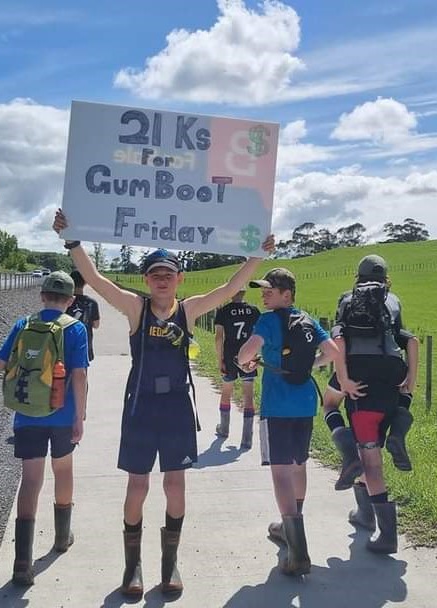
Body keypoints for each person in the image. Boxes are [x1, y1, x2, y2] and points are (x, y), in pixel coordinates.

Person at [53, 208, 273, 598]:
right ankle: (132, 565)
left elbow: (229, 286)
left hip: (176, 409)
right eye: (155, 273)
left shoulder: (189, 309)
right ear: (146, 279)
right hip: (140, 408)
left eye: (168, 273)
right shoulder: (135, 307)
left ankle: (170, 563)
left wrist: (257, 256)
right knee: (137, 486)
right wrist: (73, 242)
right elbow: (96, 280)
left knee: (175, 485)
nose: (161, 279)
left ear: (178, 278)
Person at [236, 268, 353, 576]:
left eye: (269, 291)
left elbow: (247, 352)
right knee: (299, 465)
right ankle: (292, 524)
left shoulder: (268, 320)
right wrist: (312, 363)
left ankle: (297, 548)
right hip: (305, 405)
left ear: (286, 294)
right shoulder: (309, 321)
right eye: (263, 290)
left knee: (280, 473)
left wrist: (243, 361)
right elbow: (333, 352)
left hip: (277, 408)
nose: (264, 295)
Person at [0, 271, 89, 586]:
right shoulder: (75, 328)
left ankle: (22, 561)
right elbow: (79, 375)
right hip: (63, 415)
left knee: (31, 479)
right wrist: (80, 416)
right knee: (63, 471)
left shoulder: (23, 324)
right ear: (71, 300)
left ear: (42, 295)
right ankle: (62, 538)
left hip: (27, 415)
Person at [327, 254, 419, 553]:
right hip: (391, 375)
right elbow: (411, 341)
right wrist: (410, 381)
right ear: (385, 277)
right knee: (382, 431)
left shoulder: (347, 299)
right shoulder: (393, 300)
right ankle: (396, 434)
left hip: (359, 376)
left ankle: (388, 536)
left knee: (368, 459)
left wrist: (343, 379)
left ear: (358, 276)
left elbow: (338, 341)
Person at [213, 289, 260, 448]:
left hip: (229, 356)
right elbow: (259, 335)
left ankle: (224, 429)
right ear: (244, 293)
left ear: (230, 293)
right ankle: (247, 437)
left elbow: (219, 337)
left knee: (226, 392)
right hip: (248, 356)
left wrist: (220, 360)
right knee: (248, 395)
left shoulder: (223, 311)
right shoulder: (253, 310)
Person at [66, 269, 101, 362]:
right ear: (85, 283)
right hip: (84, 343)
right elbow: (96, 325)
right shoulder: (91, 303)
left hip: (65, 343)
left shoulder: (64, 301)